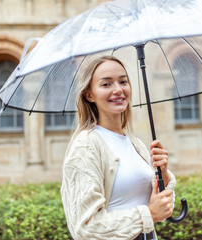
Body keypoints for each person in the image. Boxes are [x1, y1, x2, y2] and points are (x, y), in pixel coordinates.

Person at [61, 56, 177, 240]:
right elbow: (86, 228)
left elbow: (158, 205)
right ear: (89, 95)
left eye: (123, 81)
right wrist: (149, 215)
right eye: (106, 84)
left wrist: (161, 174)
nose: (118, 89)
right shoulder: (86, 146)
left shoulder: (135, 143)